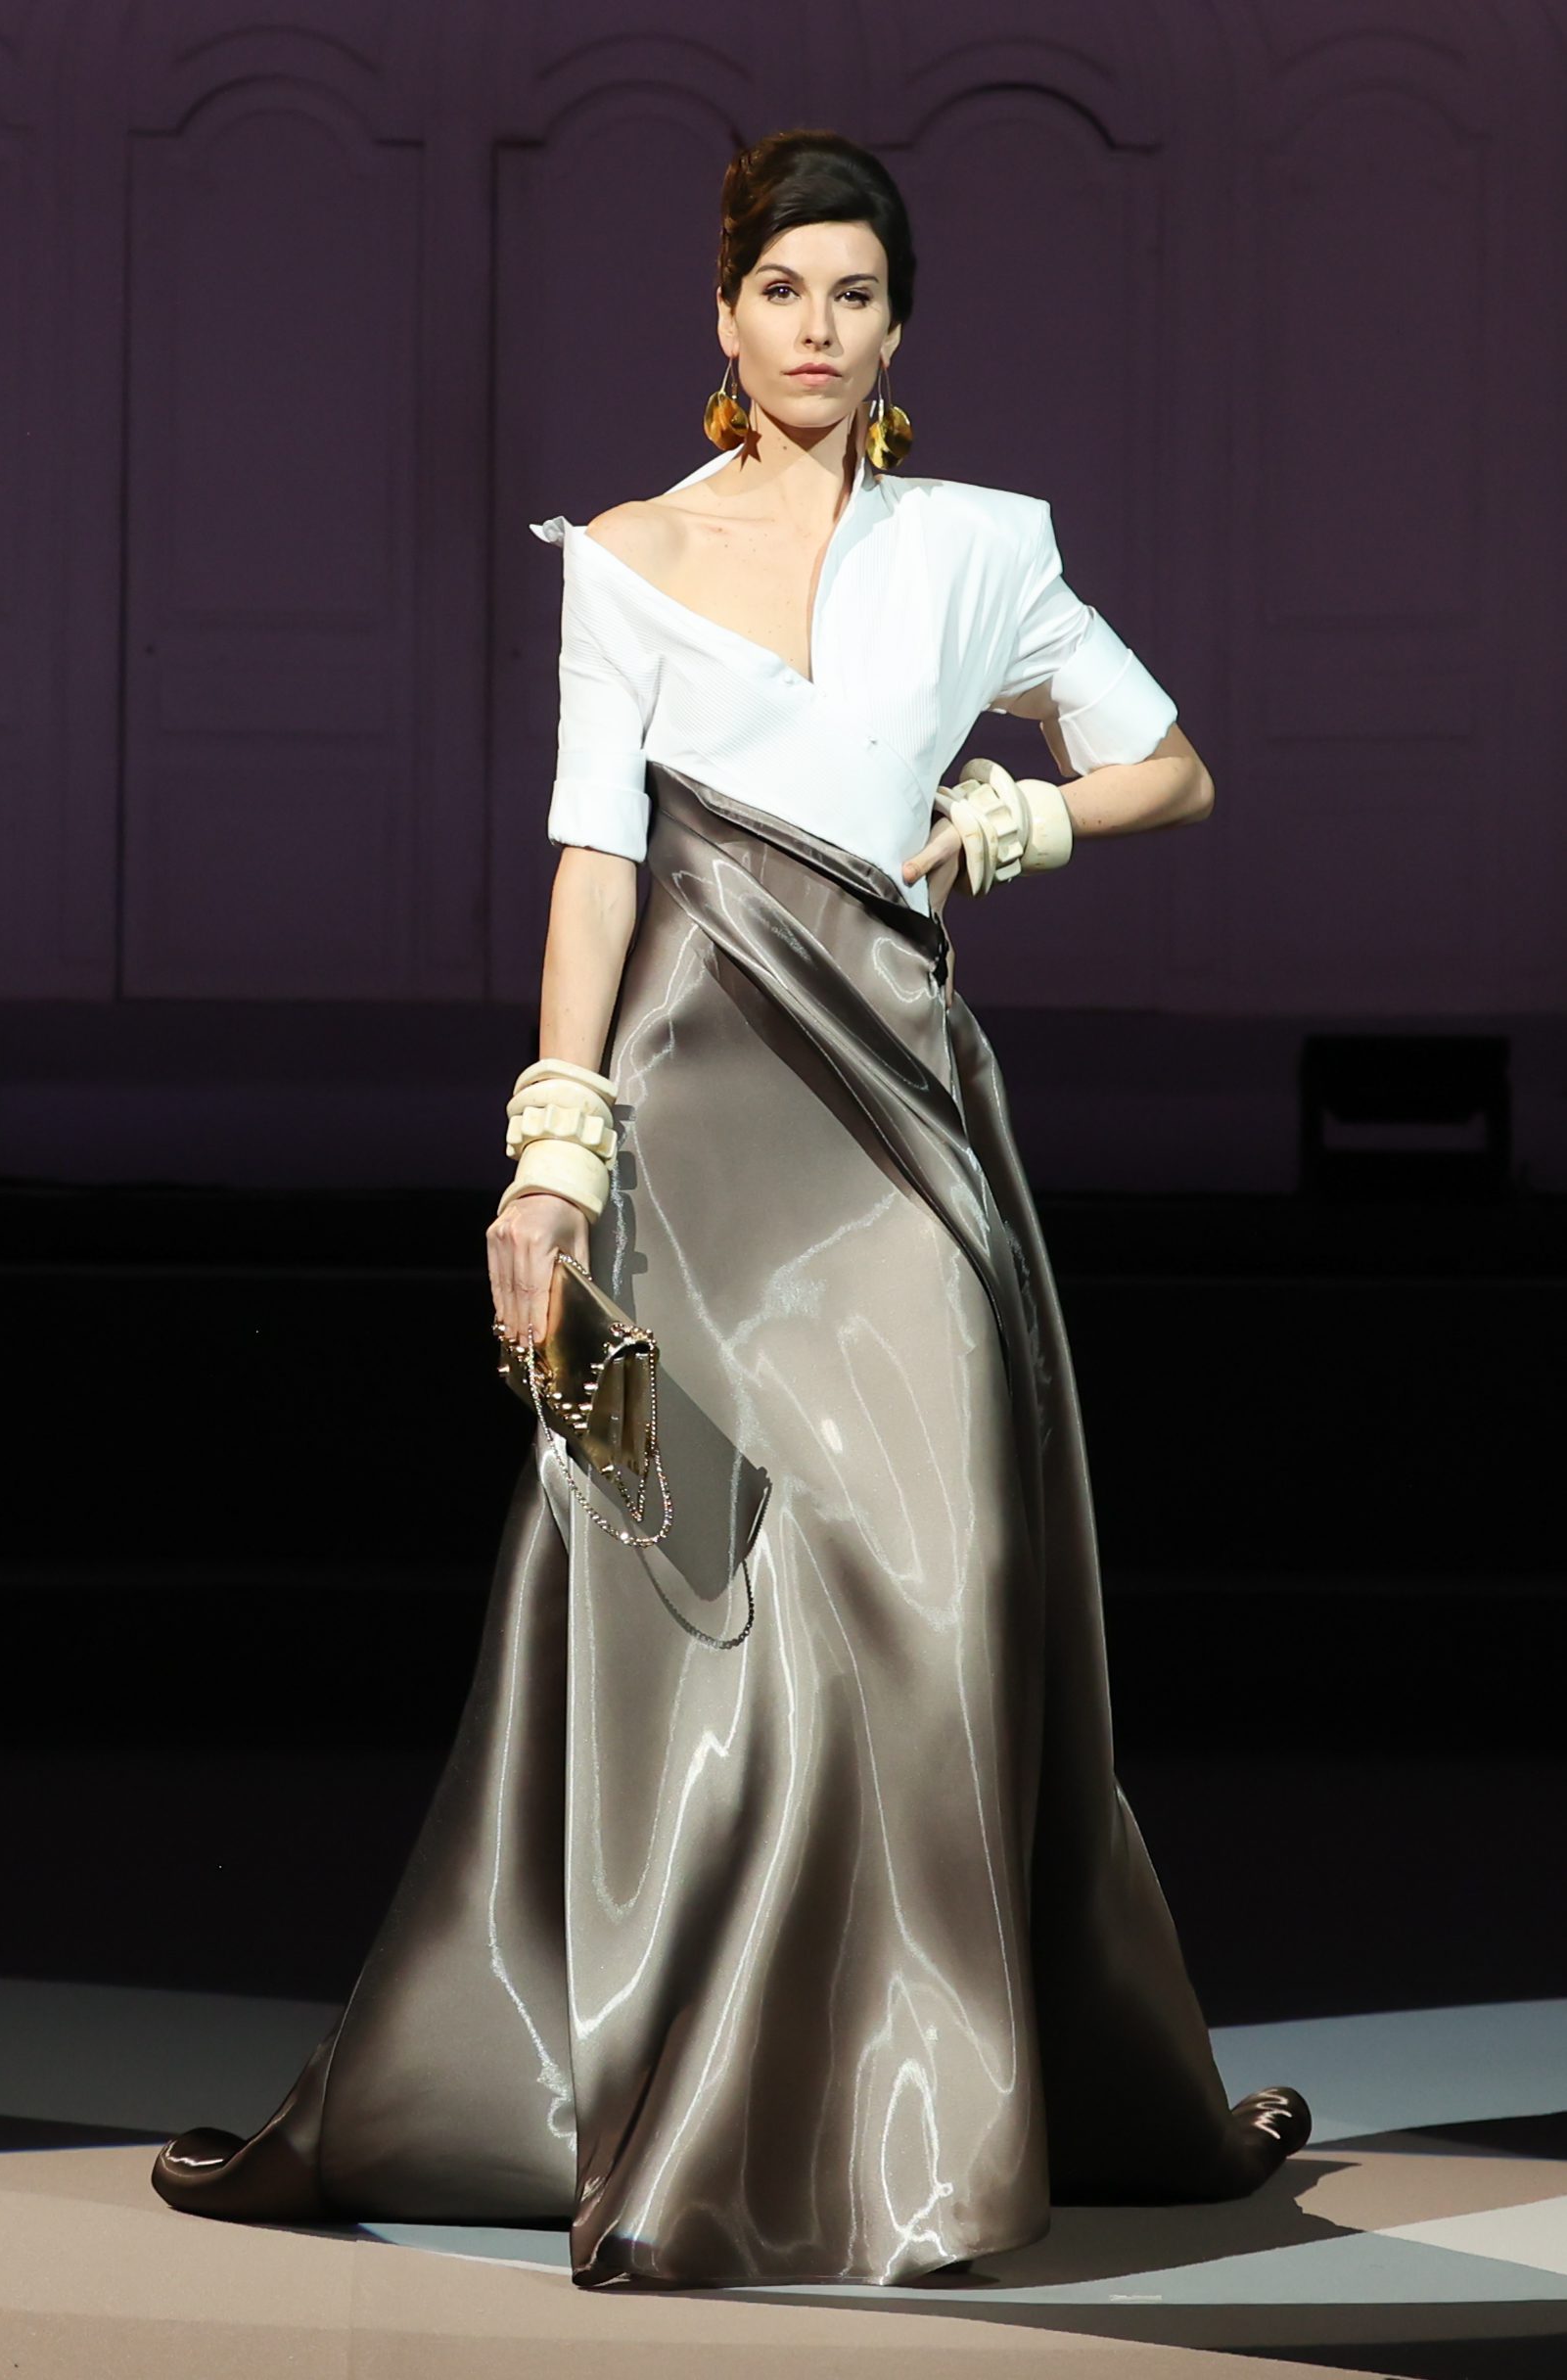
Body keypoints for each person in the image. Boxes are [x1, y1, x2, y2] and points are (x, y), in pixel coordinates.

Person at [151, 126, 1311, 2291]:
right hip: (681, 1133)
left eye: (853, 293)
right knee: (676, 1575)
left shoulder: (981, 546)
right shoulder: (626, 555)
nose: (814, 327)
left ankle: (920, 2121)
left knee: (941, 1580)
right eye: (781, 288)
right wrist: (551, 1155)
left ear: (897, 328)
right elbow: (595, 864)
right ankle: (678, 2092)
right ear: (722, 311)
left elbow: (1171, 761)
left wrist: (1014, 824)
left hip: (895, 1121)